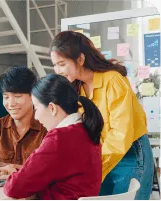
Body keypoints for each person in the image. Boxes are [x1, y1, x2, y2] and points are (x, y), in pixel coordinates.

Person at [50, 31, 153, 199]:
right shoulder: (78, 88)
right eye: (54, 65)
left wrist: (90, 163)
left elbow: (121, 134)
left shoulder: (112, 80)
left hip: (131, 154)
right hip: (103, 155)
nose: (57, 71)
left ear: (81, 59)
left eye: (62, 64)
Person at [0, 74, 103, 200]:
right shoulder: (84, 129)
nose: (36, 116)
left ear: (52, 108)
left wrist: (14, 176)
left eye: (36, 108)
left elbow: (13, 189)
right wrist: (17, 172)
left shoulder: (59, 139)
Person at [0, 66, 46, 169]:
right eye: (6, 97)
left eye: (17, 96)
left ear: (33, 96)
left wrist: (14, 169)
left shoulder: (47, 128)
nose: (11, 104)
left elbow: (50, 171)